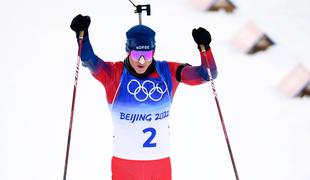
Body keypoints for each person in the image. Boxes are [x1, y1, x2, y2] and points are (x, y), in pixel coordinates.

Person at [70, 14, 218, 180]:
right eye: (136, 55)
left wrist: (206, 49)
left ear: (153, 52)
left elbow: (208, 75)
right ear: (127, 51)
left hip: (159, 164)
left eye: (147, 55)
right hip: (124, 164)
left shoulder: (167, 72)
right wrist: (83, 37)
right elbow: (89, 61)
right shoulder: (114, 74)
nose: (141, 61)